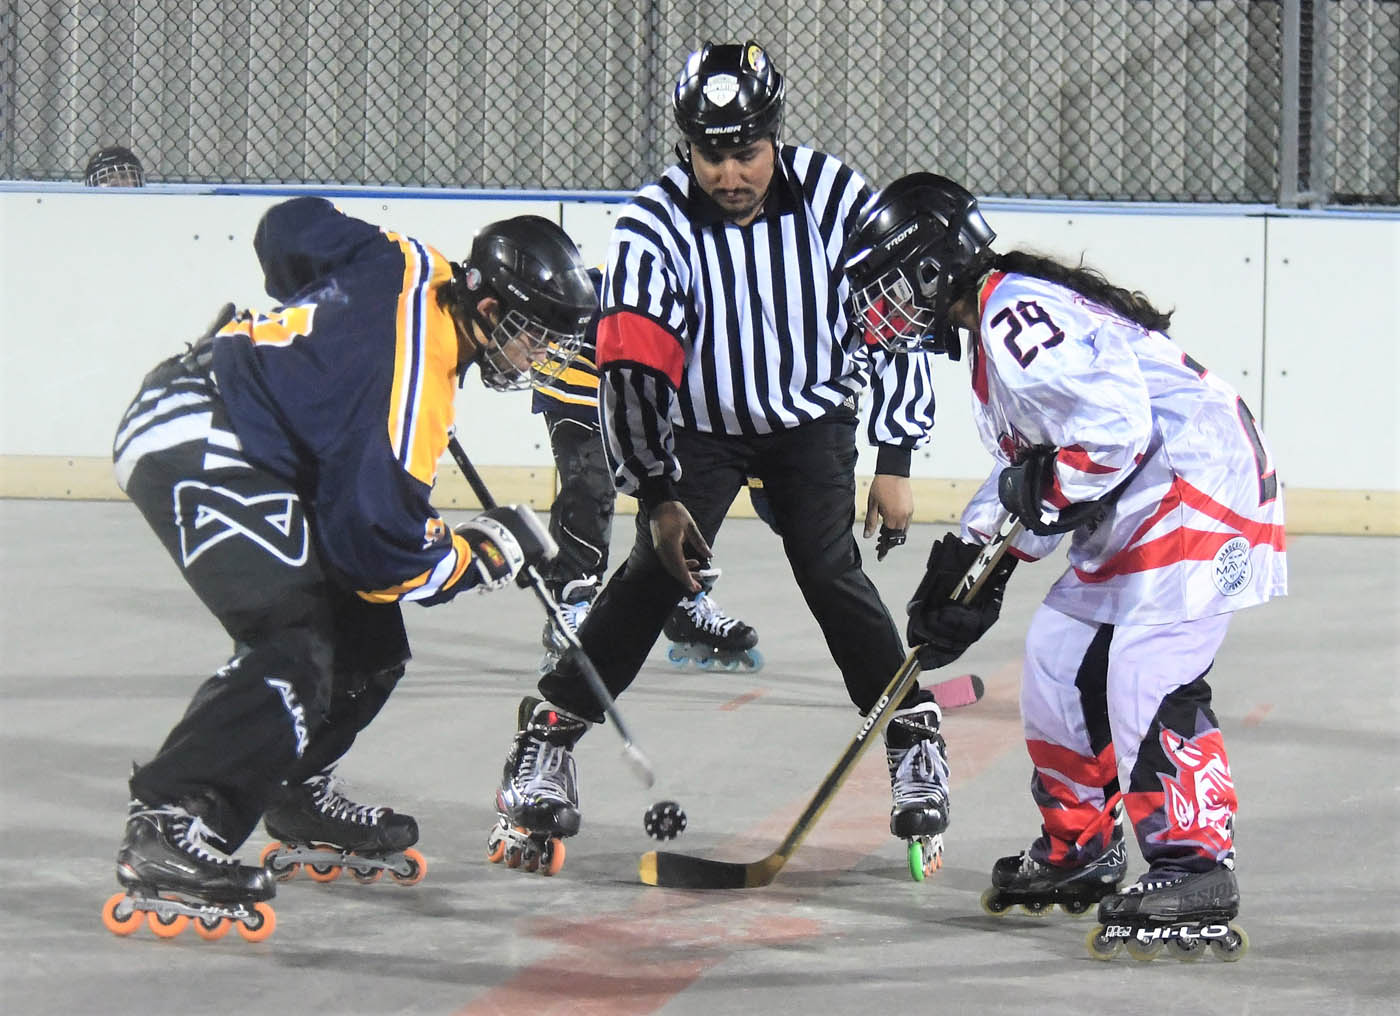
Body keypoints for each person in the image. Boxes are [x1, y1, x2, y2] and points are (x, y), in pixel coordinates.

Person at [487, 41, 949, 877]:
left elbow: (903, 309)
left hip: (810, 416)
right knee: (654, 577)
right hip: (698, 425)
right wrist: (658, 492)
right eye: (711, 154)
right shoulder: (653, 223)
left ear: (774, 135)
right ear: (685, 145)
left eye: (747, 152)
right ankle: (547, 737)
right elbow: (630, 374)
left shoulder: (835, 193)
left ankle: (912, 737)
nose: (730, 173)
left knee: (827, 567)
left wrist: (897, 454)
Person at [102, 197, 596, 940]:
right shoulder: (410, 390)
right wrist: (487, 552)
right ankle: (168, 823)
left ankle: (292, 787)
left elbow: (287, 229)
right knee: (290, 638)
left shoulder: (407, 257)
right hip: (194, 431)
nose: (539, 358)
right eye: (534, 337)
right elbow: (380, 557)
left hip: (258, 442)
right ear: (489, 309)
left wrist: (308, 324)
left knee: (369, 649)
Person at [844, 172, 1286, 958]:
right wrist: (972, 559)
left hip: (1194, 487)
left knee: (1146, 670)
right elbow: (1041, 463)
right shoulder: (998, 325)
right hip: (1150, 496)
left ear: (929, 264)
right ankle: (1080, 845)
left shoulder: (1013, 311)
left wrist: (1028, 514)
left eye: (885, 282)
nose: (880, 308)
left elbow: (1110, 433)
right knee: (1058, 652)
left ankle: (1195, 863)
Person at [531, 271, 764, 675]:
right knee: (591, 486)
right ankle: (570, 606)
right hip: (583, 366)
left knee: (683, 491)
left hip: (661, 380)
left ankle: (681, 598)